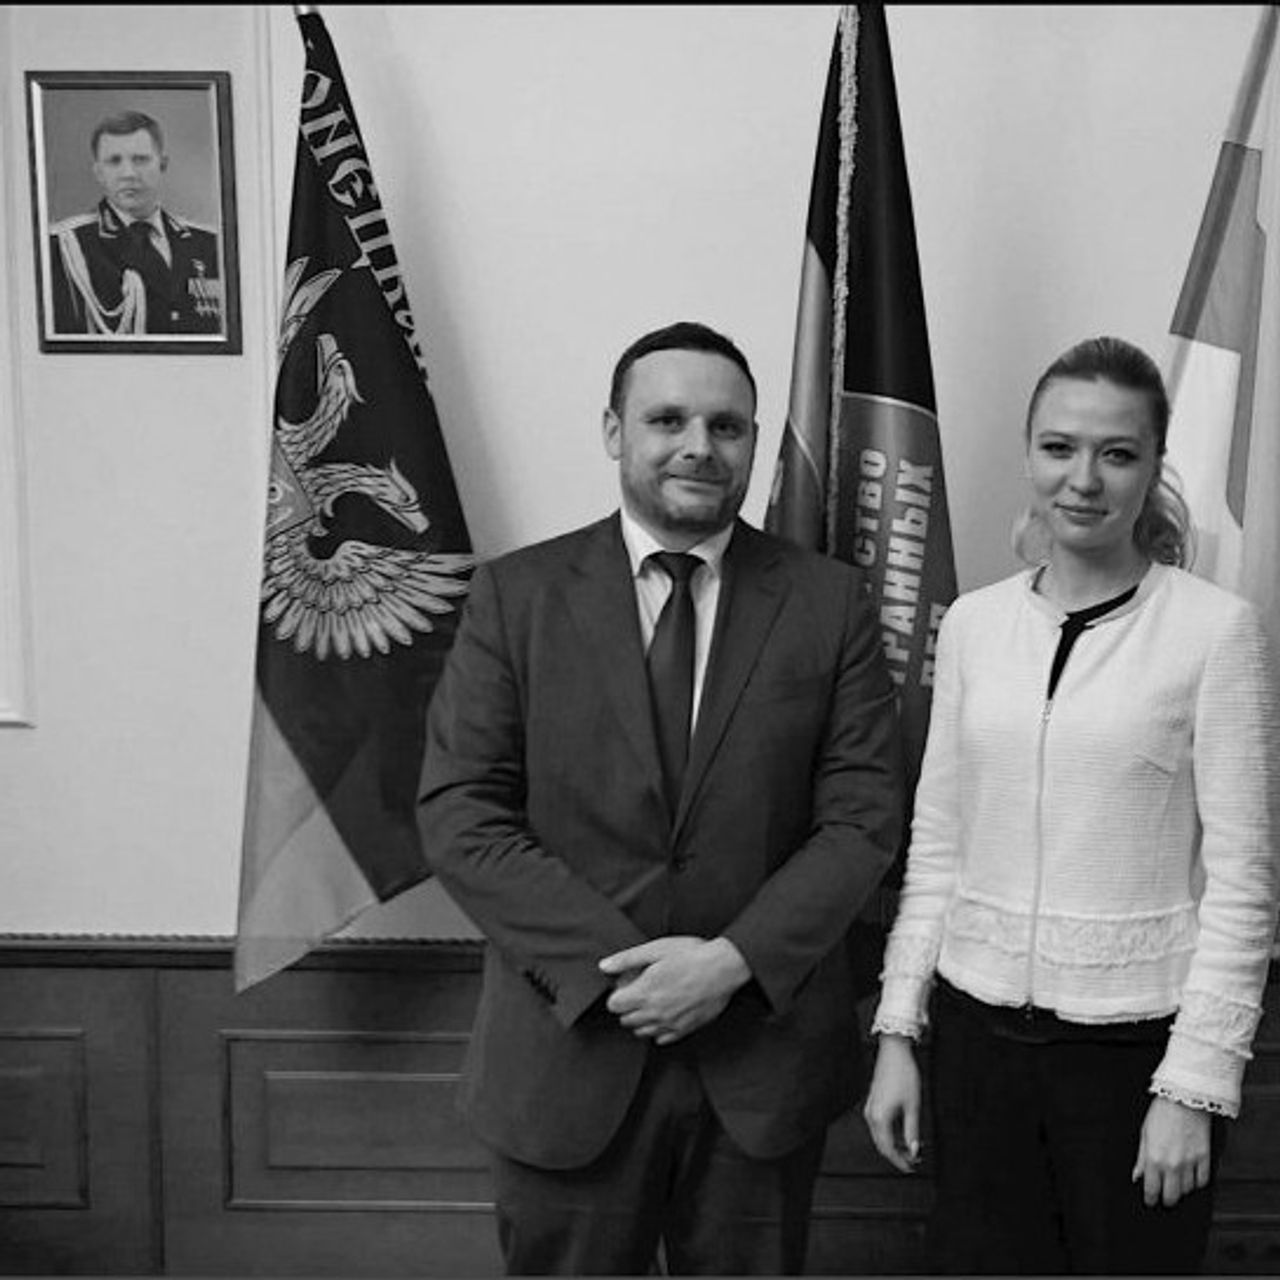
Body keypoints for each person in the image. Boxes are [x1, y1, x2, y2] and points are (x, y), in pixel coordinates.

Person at [418, 320, 904, 1275]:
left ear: (754, 440)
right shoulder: (517, 598)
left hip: (761, 1069)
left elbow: (862, 820)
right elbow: (461, 813)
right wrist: (619, 977)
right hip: (568, 1061)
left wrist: (730, 963)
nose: (698, 446)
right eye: (667, 419)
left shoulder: (829, 603)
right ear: (614, 431)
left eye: (727, 426)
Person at [863, 335, 1279, 1275]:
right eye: (1059, 448)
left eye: (1116, 453)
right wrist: (897, 1033)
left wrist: (1194, 1085)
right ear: (1029, 455)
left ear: (1154, 466)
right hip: (975, 1047)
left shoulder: (1216, 632)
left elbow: (1245, 884)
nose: (1083, 479)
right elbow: (938, 848)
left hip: (1134, 1057)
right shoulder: (973, 626)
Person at [47, 110, 223, 336]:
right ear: (98, 172)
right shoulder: (65, 247)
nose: (128, 173)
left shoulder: (211, 244)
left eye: (140, 160)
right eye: (114, 161)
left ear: (163, 164)